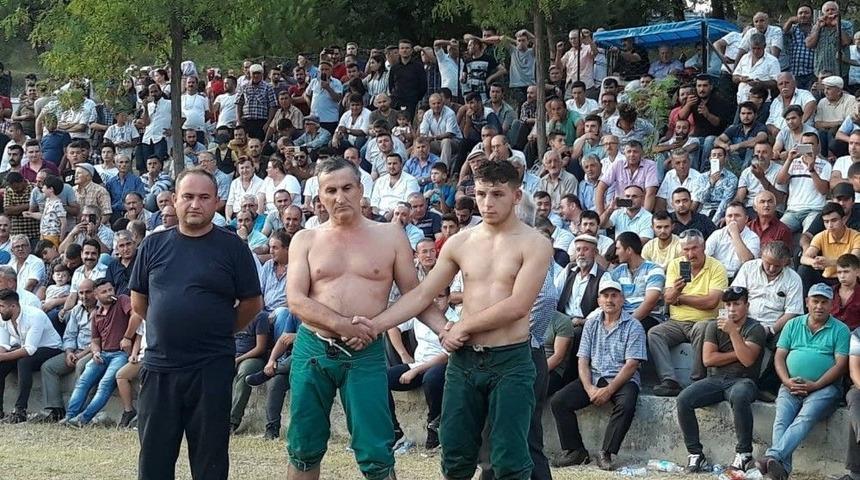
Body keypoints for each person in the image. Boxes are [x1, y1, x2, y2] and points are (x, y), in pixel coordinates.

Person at [365, 160, 552, 479]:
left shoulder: (535, 243)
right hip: (464, 362)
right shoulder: (460, 242)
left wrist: (462, 326)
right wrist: (375, 326)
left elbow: (518, 305)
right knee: (455, 454)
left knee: (511, 458)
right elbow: (423, 295)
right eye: (481, 194)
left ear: (517, 195)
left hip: (510, 359)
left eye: (497, 194)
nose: (488, 203)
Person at [285, 157, 448, 479]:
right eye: (330, 190)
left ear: (361, 190)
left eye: (347, 188)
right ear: (319, 197)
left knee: (376, 448)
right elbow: (296, 300)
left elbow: (414, 294)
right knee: (303, 444)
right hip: (313, 348)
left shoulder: (390, 235)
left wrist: (446, 329)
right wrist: (343, 325)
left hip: (365, 353)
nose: (339, 197)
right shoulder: (306, 239)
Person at [127, 168, 263, 480]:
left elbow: (252, 304)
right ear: (174, 201)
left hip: (211, 368)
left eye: (204, 197)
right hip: (160, 368)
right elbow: (139, 301)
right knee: (154, 460)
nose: (195, 204)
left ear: (217, 202)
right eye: (187, 196)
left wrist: (216, 330)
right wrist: (171, 326)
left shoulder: (233, 248)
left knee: (210, 459)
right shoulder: (152, 245)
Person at [549, 278, 646, 470]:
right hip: (593, 376)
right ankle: (575, 450)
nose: (609, 300)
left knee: (626, 404)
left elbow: (631, 364)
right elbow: (583, 360)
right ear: (599, 301)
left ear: (622, 299)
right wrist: (589, 388)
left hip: (621, 379)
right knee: (559, 401)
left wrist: (608, 390)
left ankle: (606, 452)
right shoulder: (591, 324)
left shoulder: (634, 326)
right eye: (605, 295)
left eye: (614, 295)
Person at [756, 283, 849, 480]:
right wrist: (787, 381)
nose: (819, 306)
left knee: (805, 416)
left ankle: (773, 455)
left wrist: (815, 385)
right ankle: (780, 469)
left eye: (824, 302)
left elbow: (840, 366)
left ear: (831, 305)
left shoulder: (841, 330)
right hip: (791, 384)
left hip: (825, 388)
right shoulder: (793, 324)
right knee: (781, 419)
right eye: (815, 301)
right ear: (807, 303)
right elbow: (779, 357)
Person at [676, 286, 766, 474]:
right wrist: (739, 351)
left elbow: (748, 361)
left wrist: (733, 332)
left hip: (743, 379)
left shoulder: (755, 328)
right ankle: (695, 453)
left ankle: (744, 453)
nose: (732, 309)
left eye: (737, 304)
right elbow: (709, 359)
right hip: (716, 378)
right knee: (684, 399)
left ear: (746, 305)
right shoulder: (713, 326)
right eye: (728, 304)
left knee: (740, 395)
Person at [649, 229, 728, 396]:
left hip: (706, 321)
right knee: (655, 333)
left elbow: (711, 302)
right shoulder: (677, 265)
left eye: (694, 248)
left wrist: (681, 298)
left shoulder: (716, 267)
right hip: (677, 322)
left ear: (703, 246)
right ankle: (669, 381)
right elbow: (669, 298)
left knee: (702, 328)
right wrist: (676, 292)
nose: (690, 254)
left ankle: (697, 380)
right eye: (686, 249)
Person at [62, 279, 133, 426]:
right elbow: (95, 340)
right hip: (103, 353)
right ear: (96, 295)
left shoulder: (122, 300)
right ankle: (70, 417)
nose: (109, 294)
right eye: (104, 292)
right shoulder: (96, 314)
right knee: (82, 382)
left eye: (110, 290)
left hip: (120, 354)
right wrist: (95, 352)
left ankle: (83, 419)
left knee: (105, 384)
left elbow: (136, 315)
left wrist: (127, 337)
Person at [36, 277, 96, 423]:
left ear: (95, 292)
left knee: (81, 366)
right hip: (75, 350)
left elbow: (100, 340)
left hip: (92, 351)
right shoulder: (76, 310)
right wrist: (69, 352)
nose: (84, 296)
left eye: (88, 292)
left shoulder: (103, 310)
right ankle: (56, 410)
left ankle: (78, 412)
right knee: (48, 367)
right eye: (81, 293)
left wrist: (80, 354)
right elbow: (69, 335)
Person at [0, 289, 62, 422]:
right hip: (27, 348)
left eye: (1, 306)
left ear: (13, 306)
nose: (0, 310)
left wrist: (3, 356)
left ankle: (20, 410)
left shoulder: (34, 315)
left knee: (24, 361)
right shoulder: (3, 317)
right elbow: (4, 345)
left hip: (51, 348)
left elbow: (29, 350)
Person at [610, 232, 665, 330]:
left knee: (633, 330)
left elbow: (650, 303)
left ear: (629, 250)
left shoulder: (654, 270)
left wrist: (628, 323)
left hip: (650, 317)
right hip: (623, 317)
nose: (616, 253)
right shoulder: (617, 272)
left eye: (618, 248)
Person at [704, 202, 761, 279]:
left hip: (740, 278)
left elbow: (748, 262)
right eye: (729, 216)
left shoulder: (753, 237)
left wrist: (735, 234)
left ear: (746, 219)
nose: (733, 219)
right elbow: (704, 256)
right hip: (716, 276)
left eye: (737, 216)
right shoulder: (717, 234)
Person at [833, 254, 860, 329]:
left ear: (857, 272)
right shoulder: (830, 292)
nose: (842, 276)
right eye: (839, 272)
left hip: (855, 336)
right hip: (831, 334)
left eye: (846, 272)